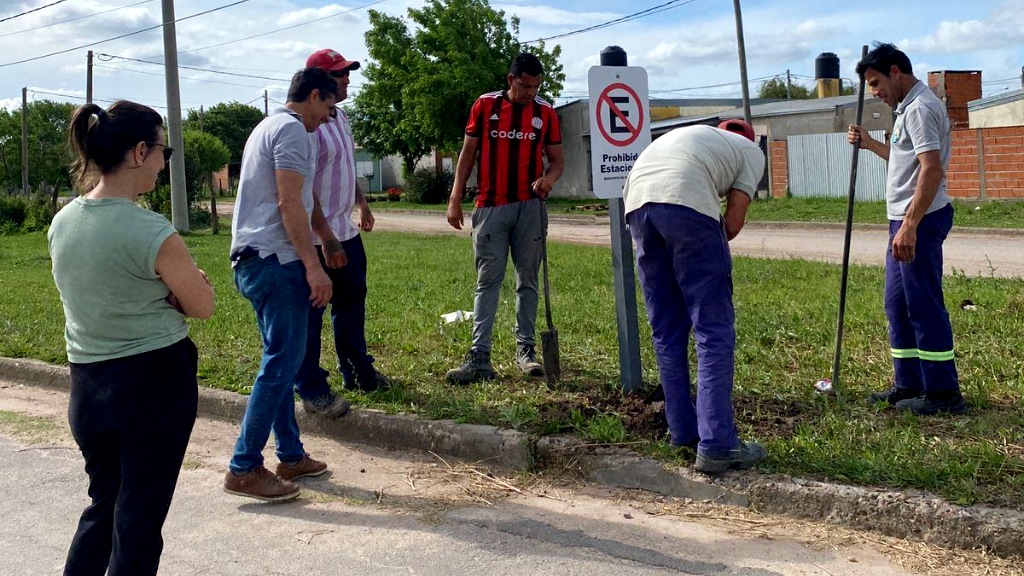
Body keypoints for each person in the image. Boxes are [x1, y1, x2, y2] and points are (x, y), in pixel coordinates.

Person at [50, 100, 215, 574]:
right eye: (165, 150)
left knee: (103, 507)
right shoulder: (151, 230)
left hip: (88, 388)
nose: (166, 163)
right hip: (152, 386)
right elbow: (203, 306)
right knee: (139, 520)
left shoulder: (63, 221)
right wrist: (185, 287)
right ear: (141, 152)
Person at [224, 67, 345, 502]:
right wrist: (313, 268)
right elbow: (288, 201)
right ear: (313, 96)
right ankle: (243, 467)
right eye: (328, 107)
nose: (329, 118)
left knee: (281, 362)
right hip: (276, 260)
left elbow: (303, 196)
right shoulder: (292, 131)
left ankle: (291, 456)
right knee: (281, 365)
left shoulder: (269, 126)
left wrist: (327, 237)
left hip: (256, 260)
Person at [622, 120, 767, 474]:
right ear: (746, 139)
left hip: (638, 204)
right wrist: (704, 247)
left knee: (667, 331)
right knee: (712, 329)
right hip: (684, 202)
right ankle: (718, 443)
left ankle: (682, 431)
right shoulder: (749, 151)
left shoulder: (697, 139)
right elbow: (732, 222)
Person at [848, 43, 965, 415]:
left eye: (876, 81)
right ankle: (910, 383)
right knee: (898, 305)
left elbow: (932, 169)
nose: (874, 91)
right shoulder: (905, 110)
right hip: (902, 219)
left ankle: (943, 392)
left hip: (921, 218)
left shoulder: (920, 108)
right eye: (869, 85)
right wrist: (869, 145)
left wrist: (911, 225)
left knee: (923, 304)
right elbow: (906, 161)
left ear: (895, 71)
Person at [445, 52, 564, 385]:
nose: (531, 92)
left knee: (528, 280)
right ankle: (479, 356)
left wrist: (549, 180)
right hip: (491, 206)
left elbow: (557, 161)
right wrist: (455, 198)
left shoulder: (546, 113)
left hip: (531, 208)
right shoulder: (485, 106)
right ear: (511, 80)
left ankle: (525, 351)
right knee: (488, 281)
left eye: (537, 86)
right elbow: (467, 154)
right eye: (526, 86)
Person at [296, 48, 391, 417]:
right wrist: (327, 238)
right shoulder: (307, 125)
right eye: (339, 74)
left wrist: (362, 203)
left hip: (345, 231)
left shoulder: (341, 116)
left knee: (352, 303)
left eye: (347, 72)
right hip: (317, 238)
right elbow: (304, 187)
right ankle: (311, 384)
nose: (347, 79)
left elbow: (346, 167)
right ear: (317, 83)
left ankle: (357, 371)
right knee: (312, 314)